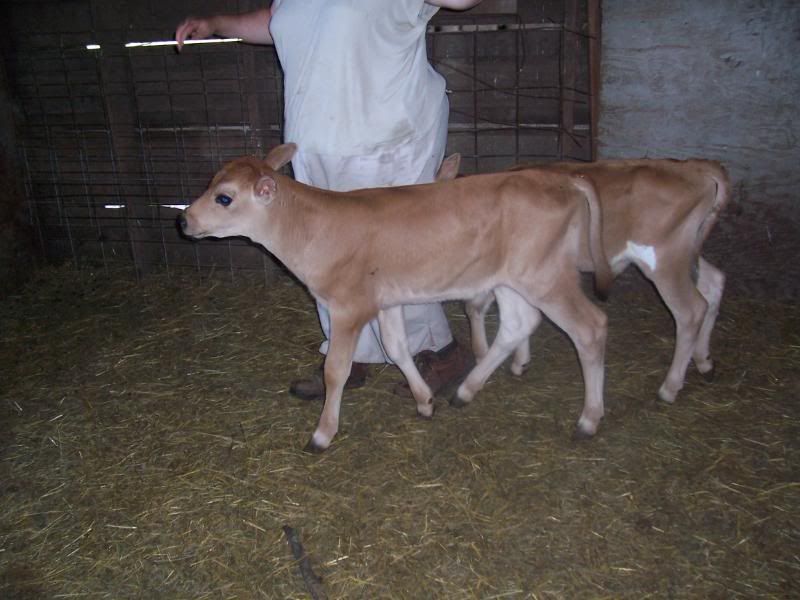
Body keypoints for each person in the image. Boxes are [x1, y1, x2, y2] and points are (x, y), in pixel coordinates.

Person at [176, 0, 483, 401]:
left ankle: (437, 351)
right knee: (323, 254)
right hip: (315, 141)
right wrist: (216, 22)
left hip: (387, 136)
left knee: (395, 255)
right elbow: (277, 22)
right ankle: (351, 351)